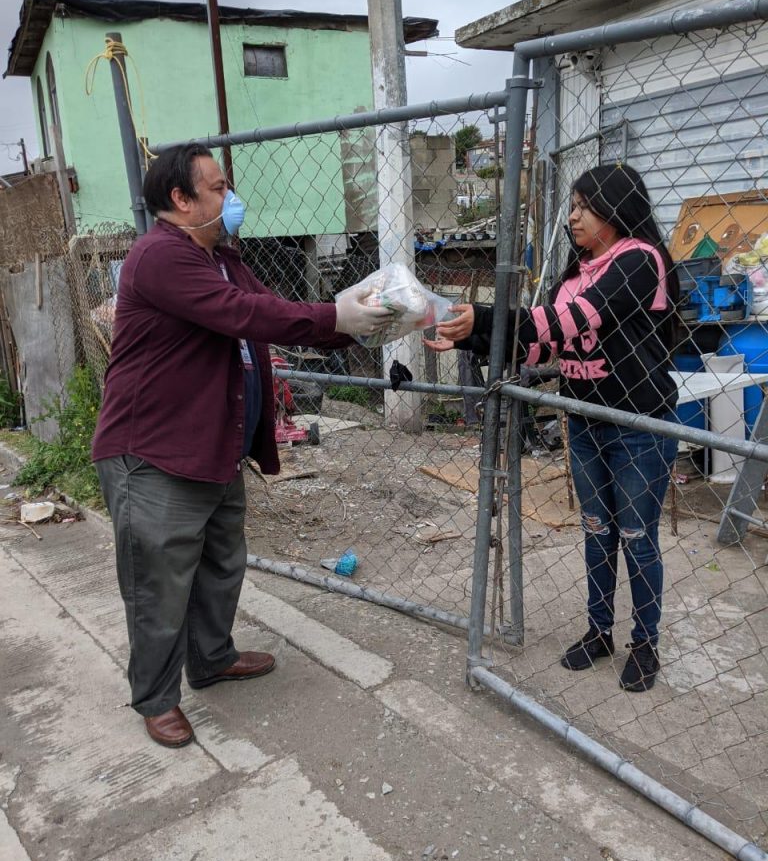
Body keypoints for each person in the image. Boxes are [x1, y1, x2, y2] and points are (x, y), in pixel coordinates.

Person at [92, 144, 392, 747]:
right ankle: (155, 696)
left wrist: (357, 318)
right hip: (154, 453)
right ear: (181, 199)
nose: (231, 199)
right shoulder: (160, 258)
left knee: (222, 563)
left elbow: (274, 312)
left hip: (212, 446)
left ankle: (211, 658)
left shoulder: (220, 258)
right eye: (219, 187)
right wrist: (337, 316)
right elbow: (244, 314)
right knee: (160, 582)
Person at [426, 164, 679, 692]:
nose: (575, 215)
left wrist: (487, 317)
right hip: (586, 422)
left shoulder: (638, 259)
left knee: (636, 537)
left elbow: (575, 320)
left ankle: (646, 642)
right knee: (596, 533)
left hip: (638, 425)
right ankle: (598, 631)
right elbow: (545, 343)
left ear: (617, 208)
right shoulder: (576, 270)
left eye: (587, 205)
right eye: (574, 204)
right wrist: (471, 339)